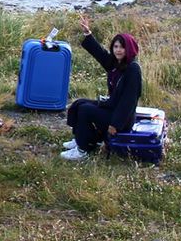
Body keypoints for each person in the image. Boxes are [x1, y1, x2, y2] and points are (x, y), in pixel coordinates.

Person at [61, 14, 142, 160]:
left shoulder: (132, 69)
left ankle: (83, 150)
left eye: (122, 47)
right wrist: (88, 34)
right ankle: (83, 139)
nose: (118, 50)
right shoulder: (117, 64)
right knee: (79, 104)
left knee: (86, 110)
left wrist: (115, 124)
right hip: (112, 107)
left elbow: (129, 101)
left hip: (122, 119)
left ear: (129, 49)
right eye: (116, 46)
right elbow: (100, 54)